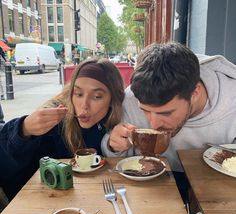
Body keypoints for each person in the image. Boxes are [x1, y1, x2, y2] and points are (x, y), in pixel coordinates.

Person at [102, 42, 236, 203]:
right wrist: (113, 145)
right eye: (145, 110)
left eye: (166, 112)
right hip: (150, 189)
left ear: (195, 93)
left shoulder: (231, 98)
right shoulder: (132, 98)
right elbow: (120, 157)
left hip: (217, 189)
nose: (153, 124)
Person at [0, 58, 125, 201]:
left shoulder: (118, 121)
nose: (84, 105)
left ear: (112, 100)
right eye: (78, 94)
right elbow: (7, 165)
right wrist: (23, 129)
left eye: (97, 96)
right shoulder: (55, 121)